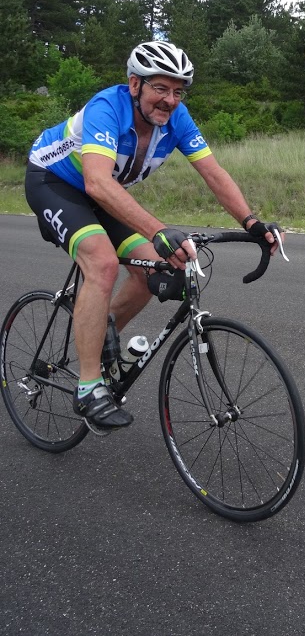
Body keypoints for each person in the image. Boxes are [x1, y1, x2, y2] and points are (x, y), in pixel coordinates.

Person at [25, 40, 281, 435]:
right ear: (135, 85)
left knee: (157, 268)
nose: (170, 100)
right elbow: (96, 182)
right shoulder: (106, 108)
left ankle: (101, 325)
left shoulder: (177, 119)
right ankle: (89, 387)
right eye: (160, 88)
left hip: (105, 193)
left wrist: (251, 222)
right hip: (55, 182)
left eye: (178, 91)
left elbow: (213, 172)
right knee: (103, 262)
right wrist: (158, 229)